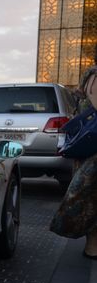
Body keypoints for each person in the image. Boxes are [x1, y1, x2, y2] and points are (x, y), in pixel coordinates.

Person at [50, 62, 97, 259]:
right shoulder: (95, 77)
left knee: (90, 201)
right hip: (93, 153)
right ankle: (92, 248)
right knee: (89, 200)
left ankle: (92, 248)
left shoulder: (91, 75)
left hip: (89, 149)